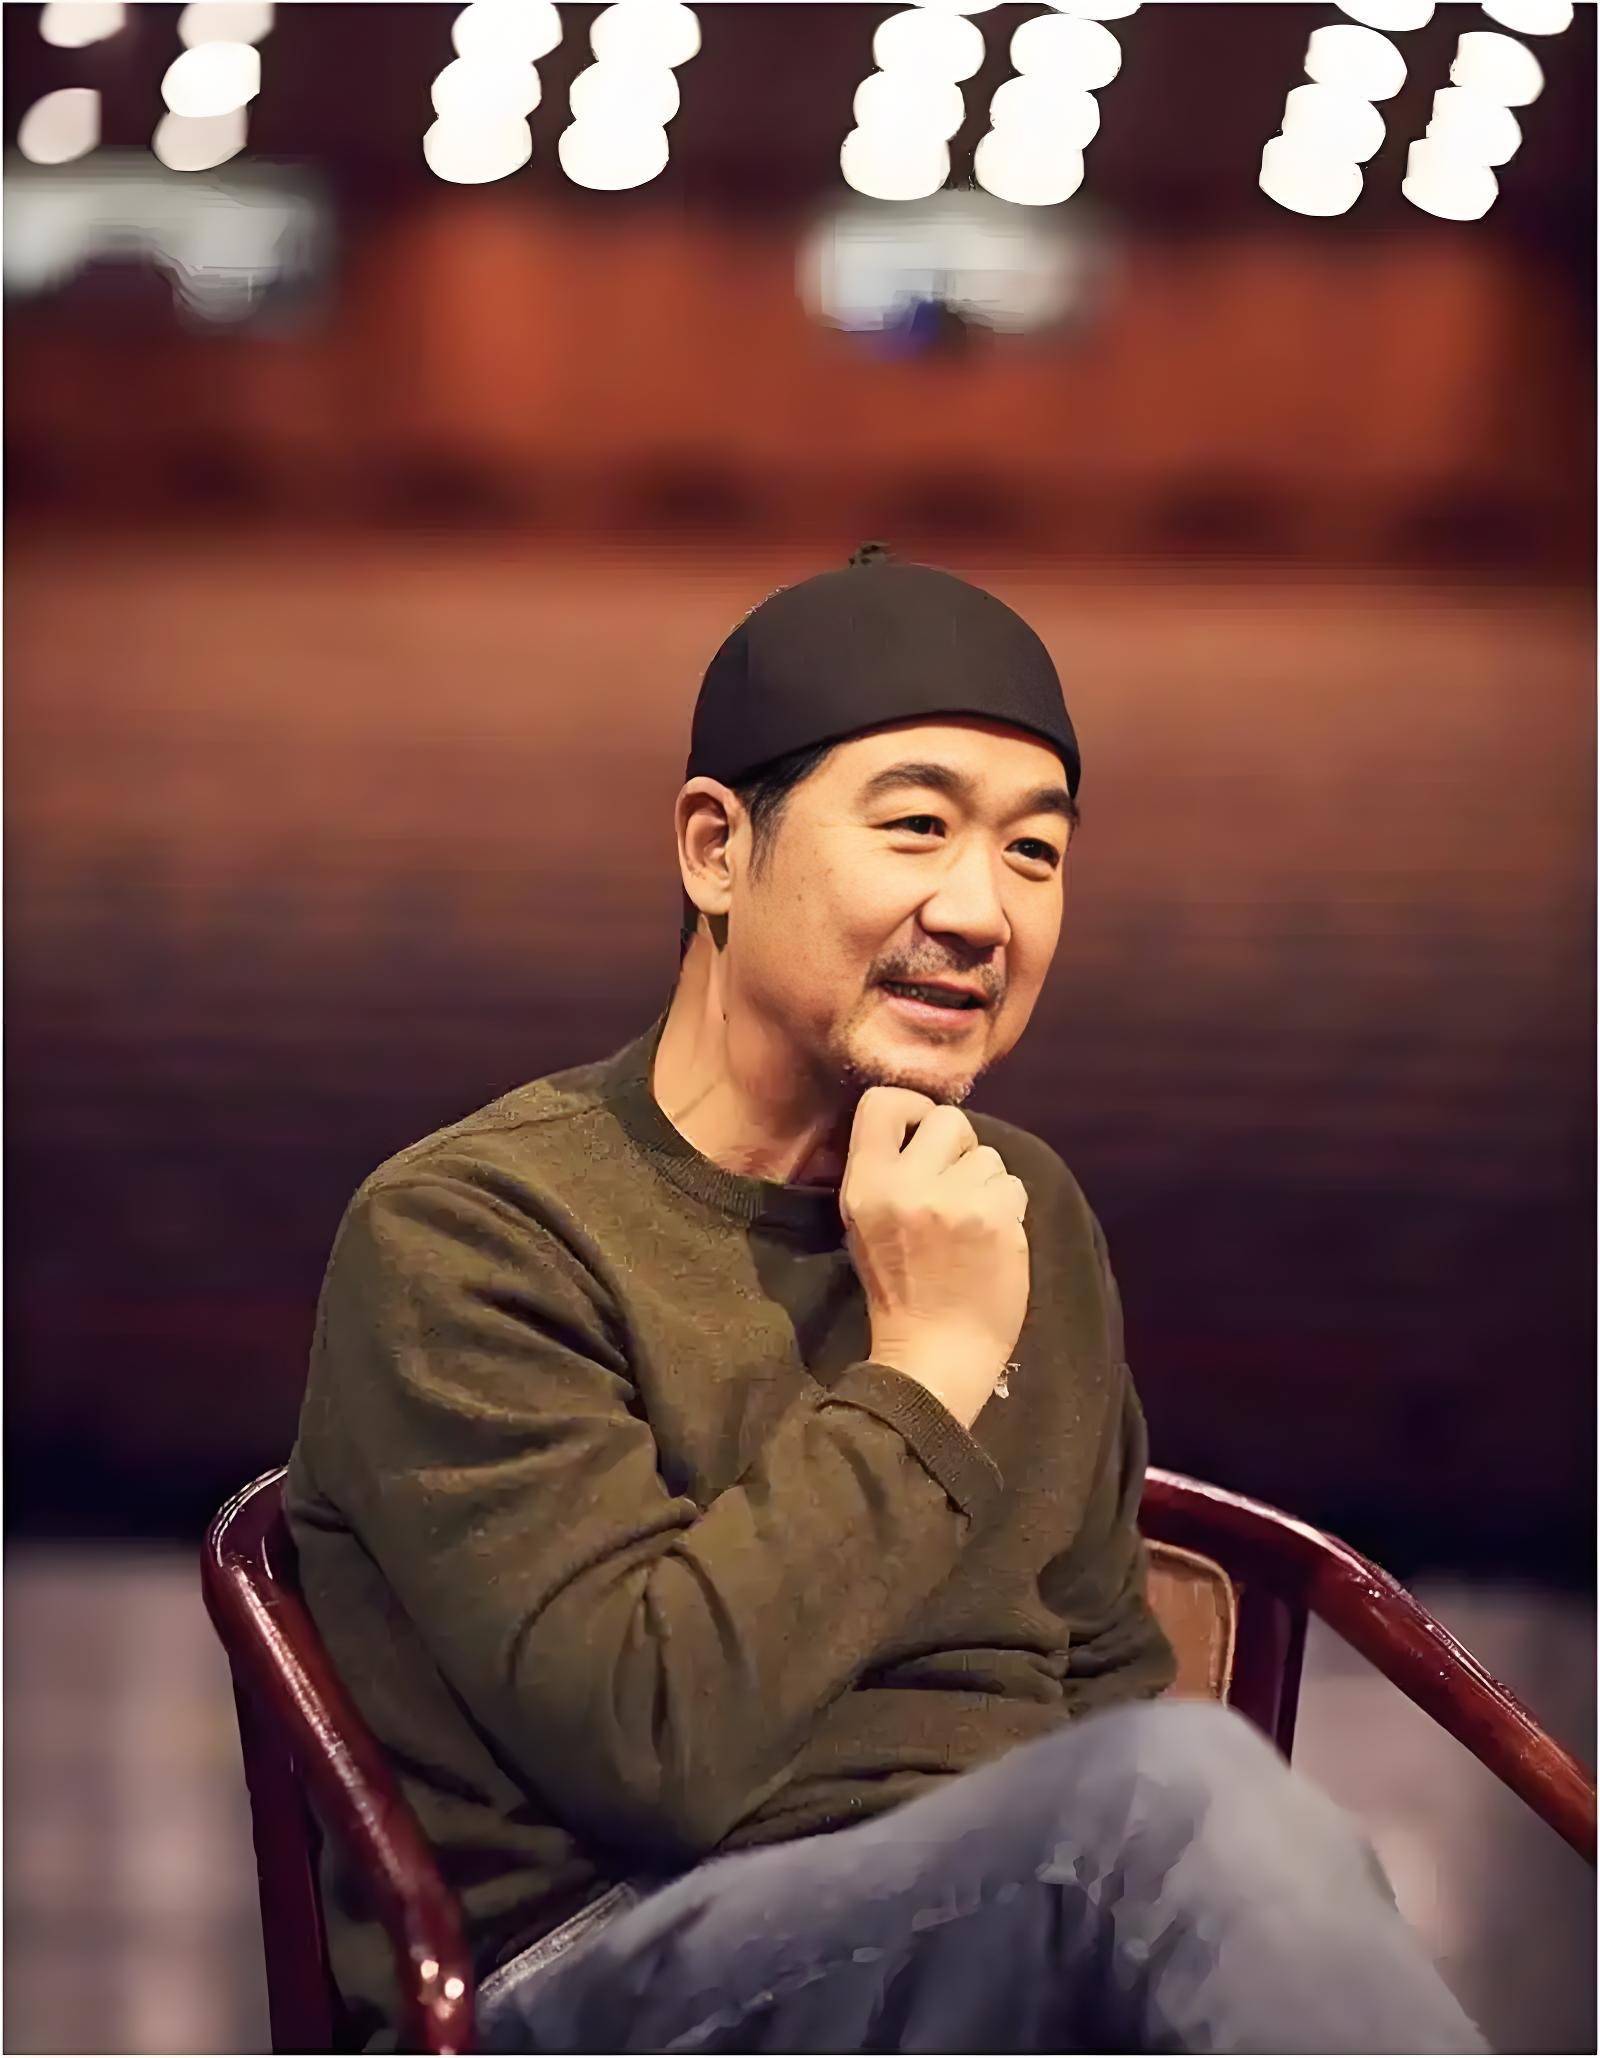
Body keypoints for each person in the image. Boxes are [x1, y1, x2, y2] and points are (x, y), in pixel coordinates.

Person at [286, 546, 1486, 2053]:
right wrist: (924, 1368)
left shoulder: (1020, 1207)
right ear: (716, 850)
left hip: (993, 1936)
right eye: (919, 825)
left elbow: (1104, 1694)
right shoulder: (473, 1230)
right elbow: (653, 1750)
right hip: (608, 1966)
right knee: (1168, 1812)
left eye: (1035, 852)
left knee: (1174, 1815)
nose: (982, 911)